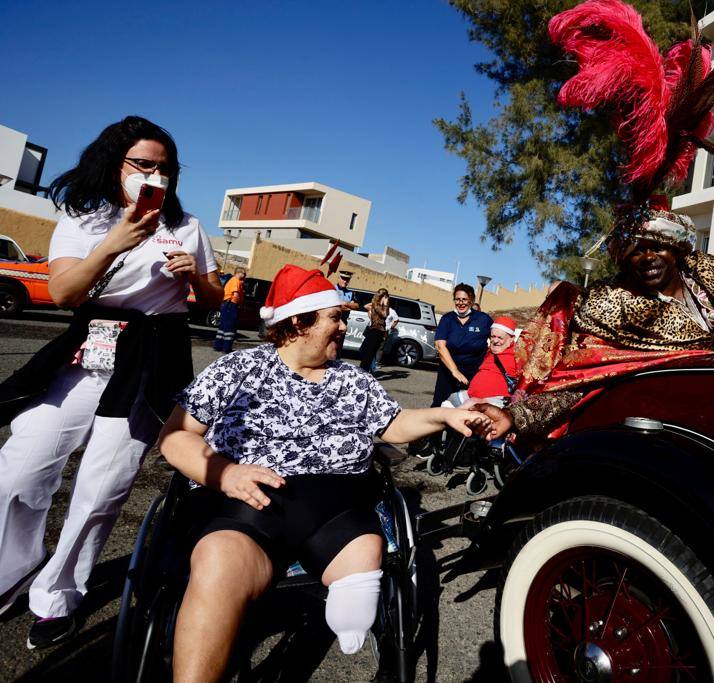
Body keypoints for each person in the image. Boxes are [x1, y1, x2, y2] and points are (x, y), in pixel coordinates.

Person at [159, 265, 488, 682]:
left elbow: (394, 424)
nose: (344, 327)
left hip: (338, 508)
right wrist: (226, 474)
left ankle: (354, 589)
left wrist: (444, 416)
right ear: (299, 322)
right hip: (248, 504)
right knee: (218, 562)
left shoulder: (353, 379)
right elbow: (175, 436)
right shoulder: (237, 369)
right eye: (335, 317)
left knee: (367, 546)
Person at [474, 0, 714, 442]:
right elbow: (579, 382)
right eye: (635, 250)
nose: (647, 257)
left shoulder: (706, 274)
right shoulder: (609, 308)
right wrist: (514, 417)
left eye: (656, 247)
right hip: (659, 431)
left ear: (676, 250)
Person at [0, 115, 222, 648]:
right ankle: (11, 571)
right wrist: (113, 244)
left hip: (152, 357)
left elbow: (212, 299)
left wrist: (193, 275)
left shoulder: (187, 225)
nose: (155, 175)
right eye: (143, 164)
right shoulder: (84, 218)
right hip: (87, 351)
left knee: (102, 486)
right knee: (21, 470)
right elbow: (63, 293)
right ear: (115, 163)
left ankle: (58, 596)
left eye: (165, 168)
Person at [431, 284, 493, 407]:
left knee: (469, 408)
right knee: (440, 406)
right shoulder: (447, 319)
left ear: (471, 300)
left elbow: (497, 339)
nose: (460, 303)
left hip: (474, 374)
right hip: (448, 372)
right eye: (457, 299)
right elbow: (440, 346)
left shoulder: (483, 319)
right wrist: (455, 371)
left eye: (464, 299)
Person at [445, 316, 520, 409]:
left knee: (467, 405)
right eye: (493, 336)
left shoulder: (518, 355)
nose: (495, 341)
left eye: (500, 338)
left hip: (494, 401)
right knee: (449, 401)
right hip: (472, 396)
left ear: (511, 339)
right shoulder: (489, 351)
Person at [359, 288, 396, 372]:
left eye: (387, 297)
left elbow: (385, 314)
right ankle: (363, 370)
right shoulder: (376, 305)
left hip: (379, 331)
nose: (387, 299)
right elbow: (384, 315)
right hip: (375, 331)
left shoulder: (382, 307)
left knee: (371, 353)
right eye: (385, 297)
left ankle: (365, 370)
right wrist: (383, 303)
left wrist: (384, 304)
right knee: (368, 353)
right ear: (381, 297)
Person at [213, 267, 246, 352]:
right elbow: (235, 294)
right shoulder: (236, 281)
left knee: (223, 326)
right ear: (239, 273)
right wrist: (237, 305)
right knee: (230, 327)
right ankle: (226, 348)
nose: (245, 276)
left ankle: (218, 345)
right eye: (244, 274)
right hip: (231, 305)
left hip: (226, 304)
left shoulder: (232, 280)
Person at [335, 270, 360, 349]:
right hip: (334, 320)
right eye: (343, 278)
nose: (345, 281)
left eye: (347, 279)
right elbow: (335, 305)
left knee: (339, 345)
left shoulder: (351, 293)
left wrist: (346, 303)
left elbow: (356, 306)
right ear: (339, 277)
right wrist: (349, 306)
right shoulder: (332, 289)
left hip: (344, 321)